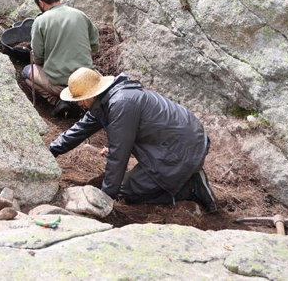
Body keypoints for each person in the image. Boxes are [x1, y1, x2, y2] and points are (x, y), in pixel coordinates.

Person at [49, 67, 219, 212]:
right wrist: (51, 151)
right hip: (177, 143)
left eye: (80, 100)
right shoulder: (107, 100)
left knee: (127, 190)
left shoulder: (121, 104)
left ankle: (191, 187)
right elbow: (80, 129)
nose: (79, 105)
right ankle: (186, 178)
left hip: (182, 148)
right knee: (127, 184)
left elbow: (118, 155)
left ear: (89, 96)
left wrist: (106, 198)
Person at [22, 0, 99, 114]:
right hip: (87, 79)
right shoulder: (80, 14)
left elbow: (38, 57)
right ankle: (83, 101)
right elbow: (95, 46)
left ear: (41, 3)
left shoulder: (40, 21)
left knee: (26, 72)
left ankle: (57, 101)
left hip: (61, 84)